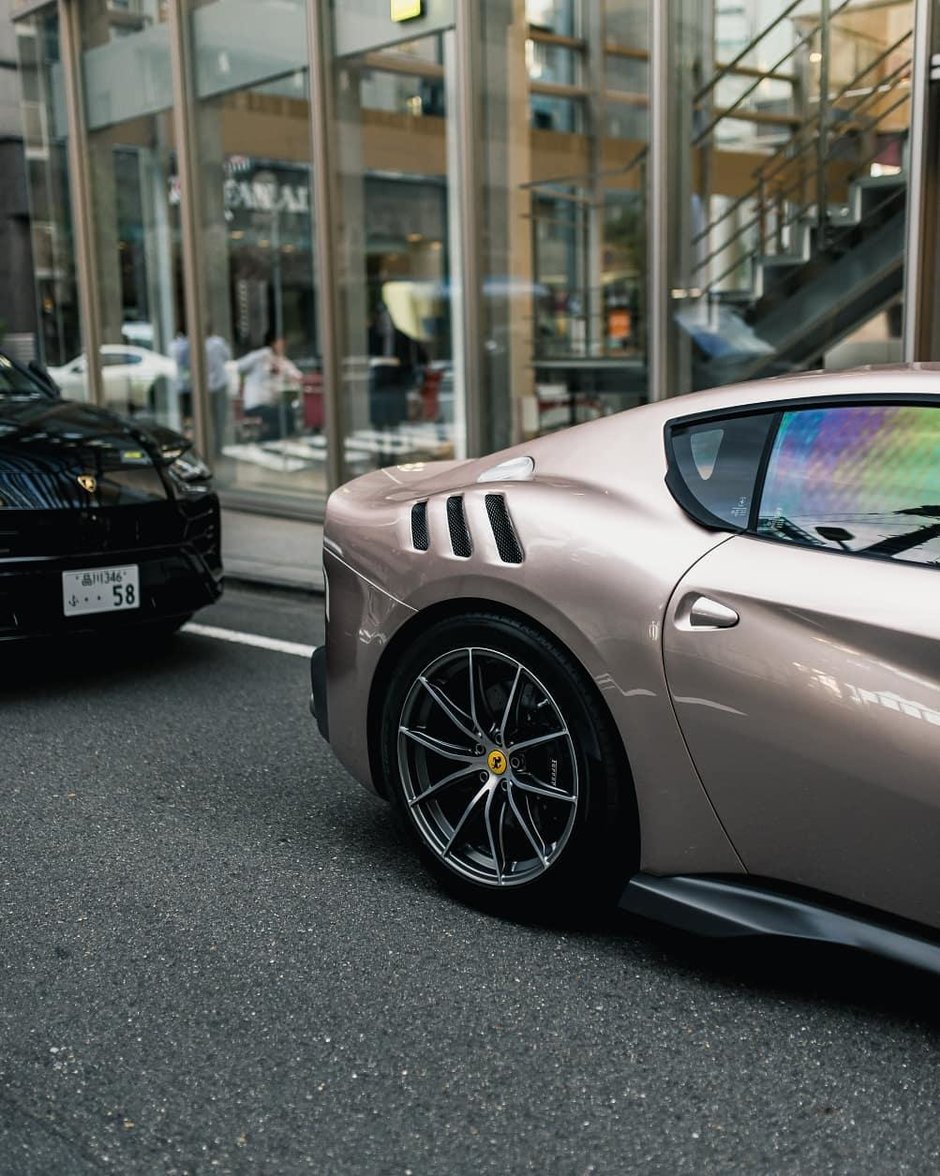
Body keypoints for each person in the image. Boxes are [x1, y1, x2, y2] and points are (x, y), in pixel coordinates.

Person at [235, 329, 301, 441]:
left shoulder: (282, 360)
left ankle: (269, 440)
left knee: (288, 414)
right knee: (287, 415)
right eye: (281, 342)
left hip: (271, 405)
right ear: (273, 342)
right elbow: (239, 366)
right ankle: (263, 440)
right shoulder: (261, 355)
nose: (283, 345)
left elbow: (296, 375)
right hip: (255, 405)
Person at [204, 326, 232, 455]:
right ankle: (218, 446)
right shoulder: (218, 342)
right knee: (220, 416)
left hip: (206, 385)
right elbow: (227, 356)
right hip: (220, 383)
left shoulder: (196, 343)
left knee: (208, 417)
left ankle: (209, 445)